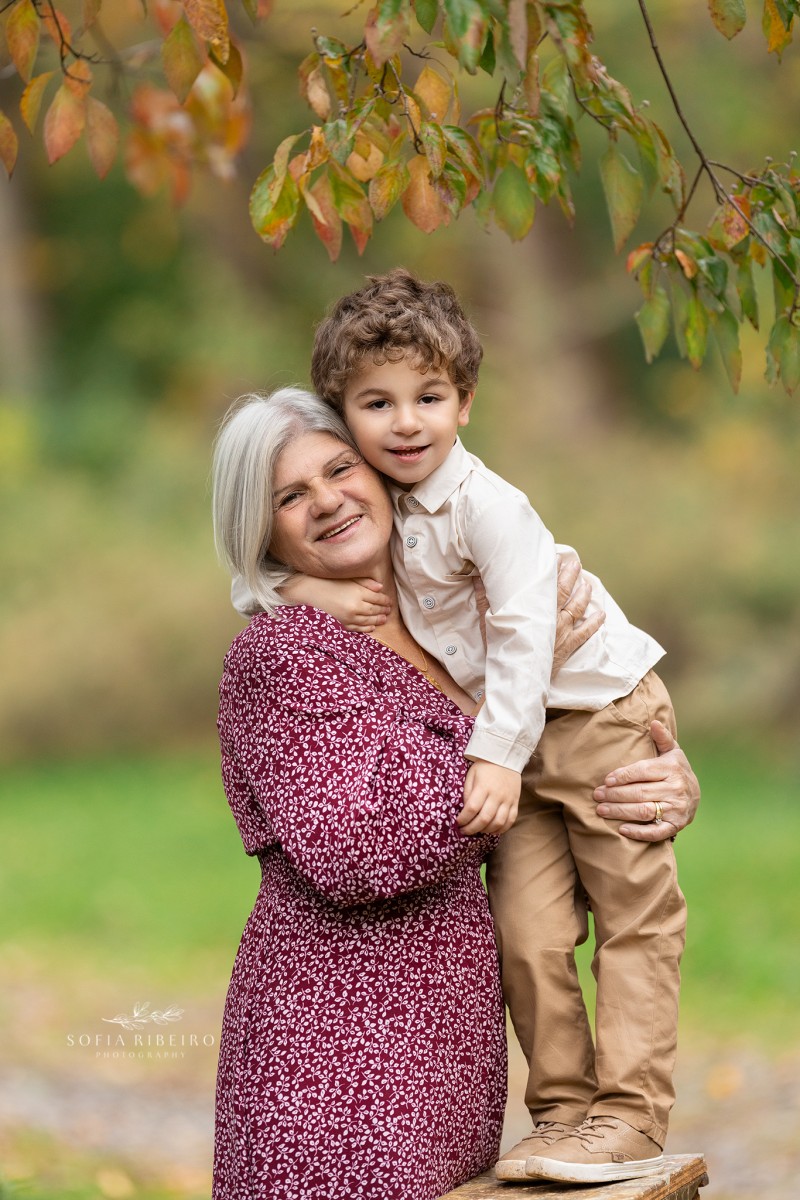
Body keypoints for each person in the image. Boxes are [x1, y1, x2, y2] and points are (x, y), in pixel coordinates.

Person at [212, 389, 699, 1199]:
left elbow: (589, 710)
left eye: (339, 470)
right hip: (338, 1068)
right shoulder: (287, 651)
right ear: (260, 530)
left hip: (441, 1064)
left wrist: (650, 774)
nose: (328, 500)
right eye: (289, 497)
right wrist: (511, 746)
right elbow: (359, 847)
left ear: (379, 469)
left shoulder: (458, 597)